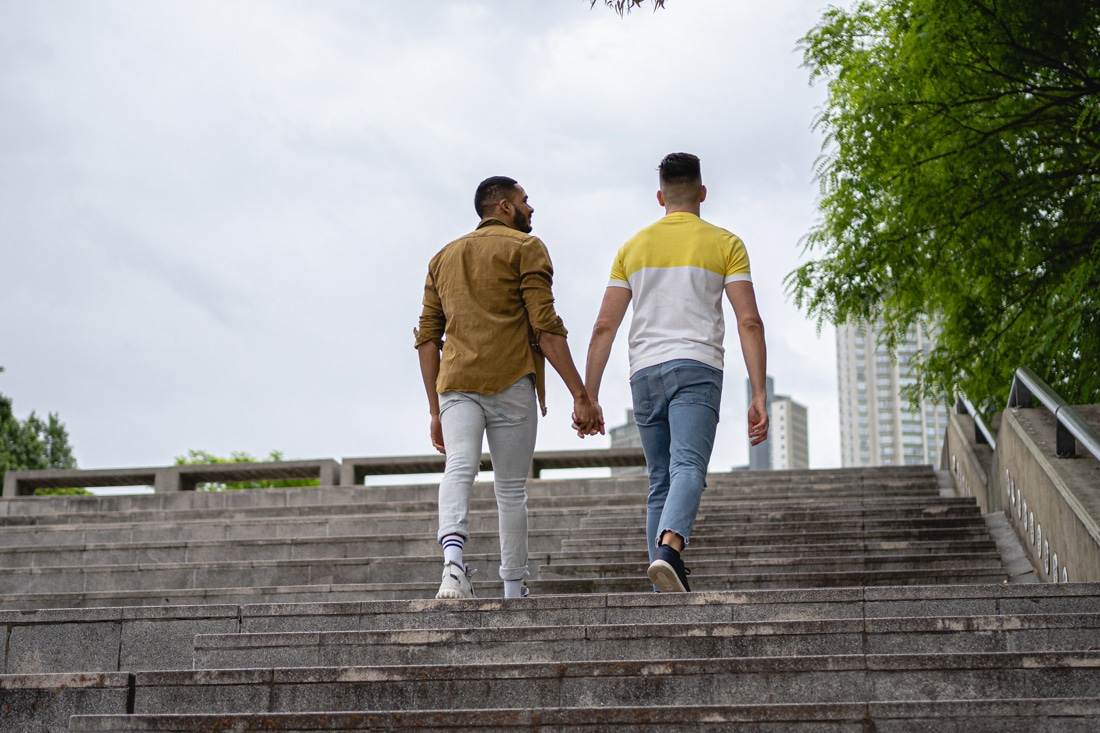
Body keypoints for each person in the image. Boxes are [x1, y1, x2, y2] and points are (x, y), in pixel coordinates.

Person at [581, 152, 769, 593]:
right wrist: (758, 393)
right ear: (702, 193)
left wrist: (587, 396)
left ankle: (661, 583)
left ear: (660, 196)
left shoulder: (632, 247)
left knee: (659, 480)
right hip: (697, 366)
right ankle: (668, 550)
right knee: (689, 468)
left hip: (644, 372)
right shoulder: (726, 243)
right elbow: (749, 322)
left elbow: (604, 327)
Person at [415, 175, 600, 600]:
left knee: (459, 466)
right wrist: (581, 395)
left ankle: (452, 568)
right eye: (524, 200)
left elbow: (428, 338)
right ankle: (513, 590)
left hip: (456, 383)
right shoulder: (527, 248)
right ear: (503, 206)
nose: (530, 208)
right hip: (512, 380)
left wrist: (433, 409)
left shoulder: (442, 257)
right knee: (511, 489)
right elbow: (546, 327)